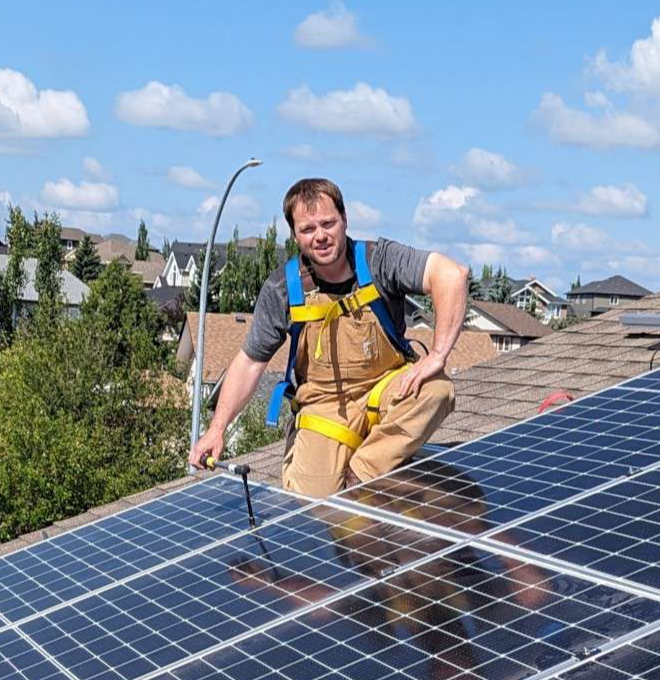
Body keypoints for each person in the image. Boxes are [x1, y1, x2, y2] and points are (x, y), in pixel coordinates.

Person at [189, 177, 470, 497]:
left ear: (344, 220)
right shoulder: (283, 287)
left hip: (385, 389)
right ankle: (348, 464)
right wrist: (216, 429)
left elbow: (451, 275)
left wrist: (437, 356)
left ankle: (362, 473)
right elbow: (251, 362)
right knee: (310, 510)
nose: (320, 236)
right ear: (295, 234)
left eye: (328, 223)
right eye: (308, 229)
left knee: (437, 388)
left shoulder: (379, 260)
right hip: (324, 409)